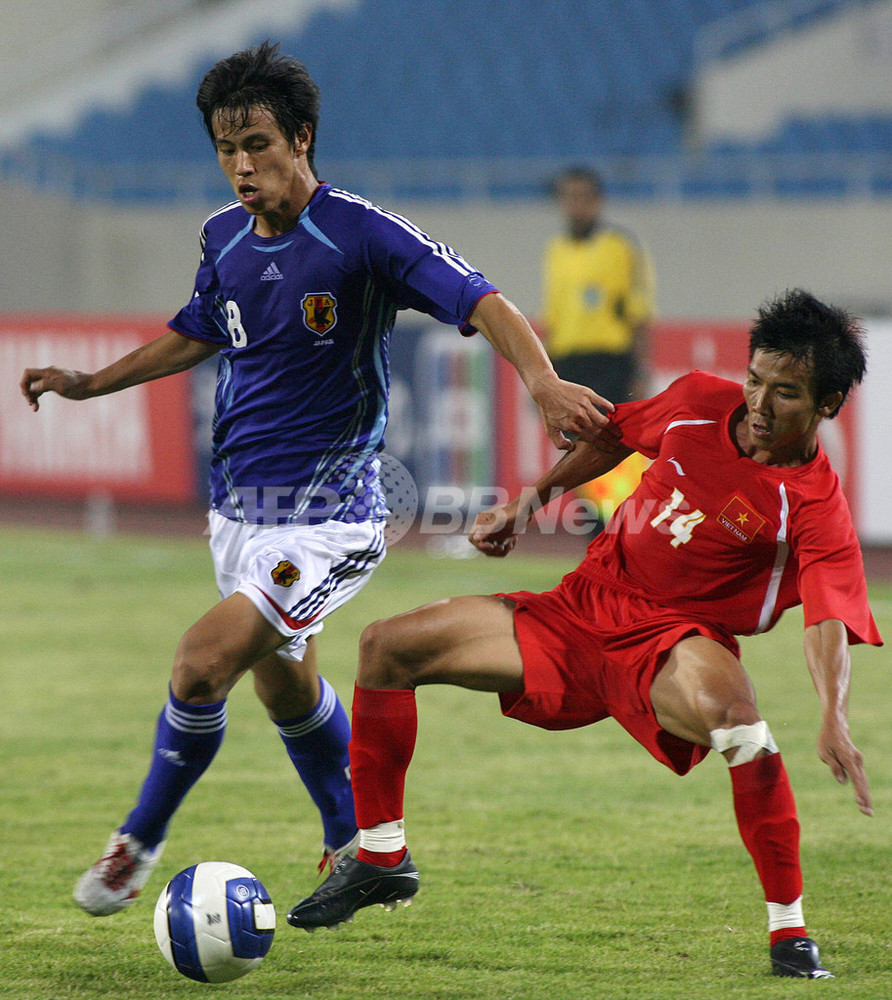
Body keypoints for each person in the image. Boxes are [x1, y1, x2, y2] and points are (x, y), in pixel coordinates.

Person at [19, 41, 612, 918]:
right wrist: (88, 383)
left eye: (257, 142)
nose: (242, 165)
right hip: (240, 515)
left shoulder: (359, 232)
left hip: (330, 520)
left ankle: (134, 847)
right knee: (285, 687)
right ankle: (355, 841)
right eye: (226, 149)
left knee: (200, 665)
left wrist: (542, 380)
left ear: (301, 137)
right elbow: (197, 330)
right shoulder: (222, 236)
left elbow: (481, 299)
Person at [287, 290, 882, 980]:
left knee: (744, 732)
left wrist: (834, 717)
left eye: (785, 393)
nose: (758, 403)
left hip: (674, 643)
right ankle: (383, 854)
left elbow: (828, 617)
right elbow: (612, 437)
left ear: (828, 405)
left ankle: (790, 933)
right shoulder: (697, 399)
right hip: (578, 610)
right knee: (385, 646)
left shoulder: (813, 503)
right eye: (755, 379)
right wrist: (529, 502)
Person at [542, 165, 655, 405]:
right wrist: (545, 371)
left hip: (609, 361)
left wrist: (640, 371)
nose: (575, 205)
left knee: (605, 438)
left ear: (597, 200)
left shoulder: (620, 246)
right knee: (572, 441)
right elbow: (553, 314)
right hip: (566, 361)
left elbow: (639, 313)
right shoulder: (557, 249)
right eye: (569, 197)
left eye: (582, 197)